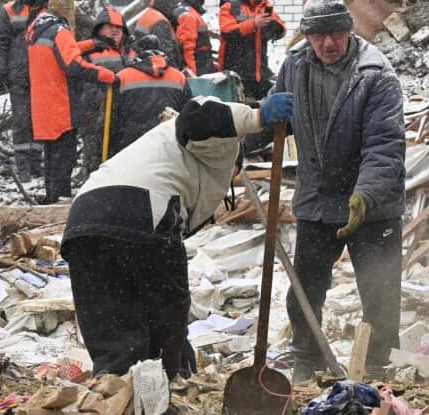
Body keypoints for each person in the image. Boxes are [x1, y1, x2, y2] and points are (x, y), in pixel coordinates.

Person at [61, 93, 296, 377]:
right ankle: (157, 394)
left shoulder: (157, 149)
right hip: (142, 211)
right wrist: (257, 116)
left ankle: (114, 394)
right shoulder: (220, 146)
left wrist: (175, 336)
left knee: (112, 328)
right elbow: (195, 118)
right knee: (165, 310)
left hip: (84, 222)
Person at [269, 0, 405, 383]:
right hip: (317, 198)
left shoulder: (375, 76)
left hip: (371, 202)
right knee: (306, 287)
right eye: (318, 35)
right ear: (307, 36)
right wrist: (248, 130)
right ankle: (306, 360)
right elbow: (279, 115)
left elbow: (384, 145)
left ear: (349, 31)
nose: (327, 43)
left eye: (335, 34)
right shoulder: (295, 64)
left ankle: (377, 365)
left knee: (379, 289)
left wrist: (365, 196)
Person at [26, 0, 118, 204]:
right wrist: (107, 76)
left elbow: (62, 52)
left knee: (51, 158)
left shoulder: (39, 30)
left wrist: (92, 44)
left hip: (43, 105)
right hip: (61, 105)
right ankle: (61, 202)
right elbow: (73, 65)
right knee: (64, 159)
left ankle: (51, 199)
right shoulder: (60, 30)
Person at [0, 0, 50, 181]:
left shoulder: (50, 11)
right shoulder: (9, 10)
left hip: (43, 75)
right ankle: (23, 166)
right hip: (19, 74)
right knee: (22, 120)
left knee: (40, 120)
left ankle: (37, 163)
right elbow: (0, 42)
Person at [107, 35, 190, 158]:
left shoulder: (122, 77)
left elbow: (110, 121)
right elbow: (188, 116)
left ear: (136, 53)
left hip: (130, 149)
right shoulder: (179, 78)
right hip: (169, 148)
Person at [77, 6, 135, 174]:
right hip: (95, 116)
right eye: (109, 26)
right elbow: (82, 84)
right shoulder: (89, 51)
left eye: (118, 27)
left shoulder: (131, 51)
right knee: (95, 163)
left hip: (125, 118)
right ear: (99, 28)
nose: (114, 30)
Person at [219, 0, 285, 101]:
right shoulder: (230, 6)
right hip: (237, 71)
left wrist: (276, 28)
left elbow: (281, 25)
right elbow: (228, 32)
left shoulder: (264, 5)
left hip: (259, 72)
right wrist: (254, 24)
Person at [132, 0, 186, 71]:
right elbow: (166, 53)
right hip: (157, 70)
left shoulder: (149, 14)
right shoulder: (160, 22)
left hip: (144, 66)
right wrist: (175, 73)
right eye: (174, 6)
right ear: (168, 4)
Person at [174, 0, 217, 75]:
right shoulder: (189, 15)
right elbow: (187, 48)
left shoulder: (189, 12)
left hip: (201, 67)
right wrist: (191, 74)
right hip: (199, 70)